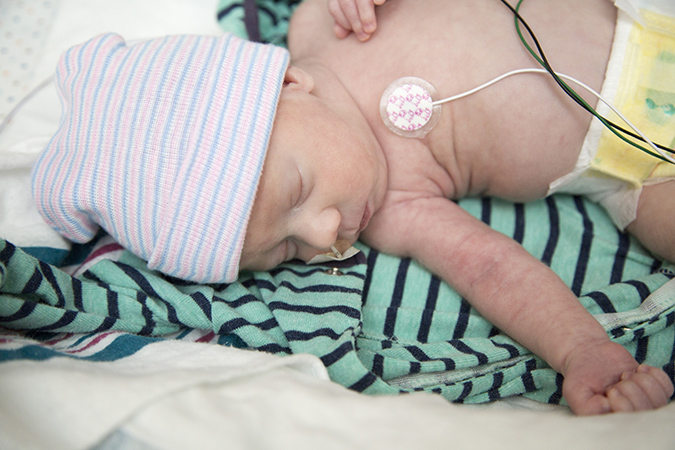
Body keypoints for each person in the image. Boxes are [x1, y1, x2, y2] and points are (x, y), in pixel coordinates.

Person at [31, 0, 674, 415]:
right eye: (286, 249)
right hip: (636, 160)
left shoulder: (329, 19)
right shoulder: (393, 207)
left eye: (298, 193)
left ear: (288, 83)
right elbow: (489, 269)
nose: (325, 235)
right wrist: (581, 351)